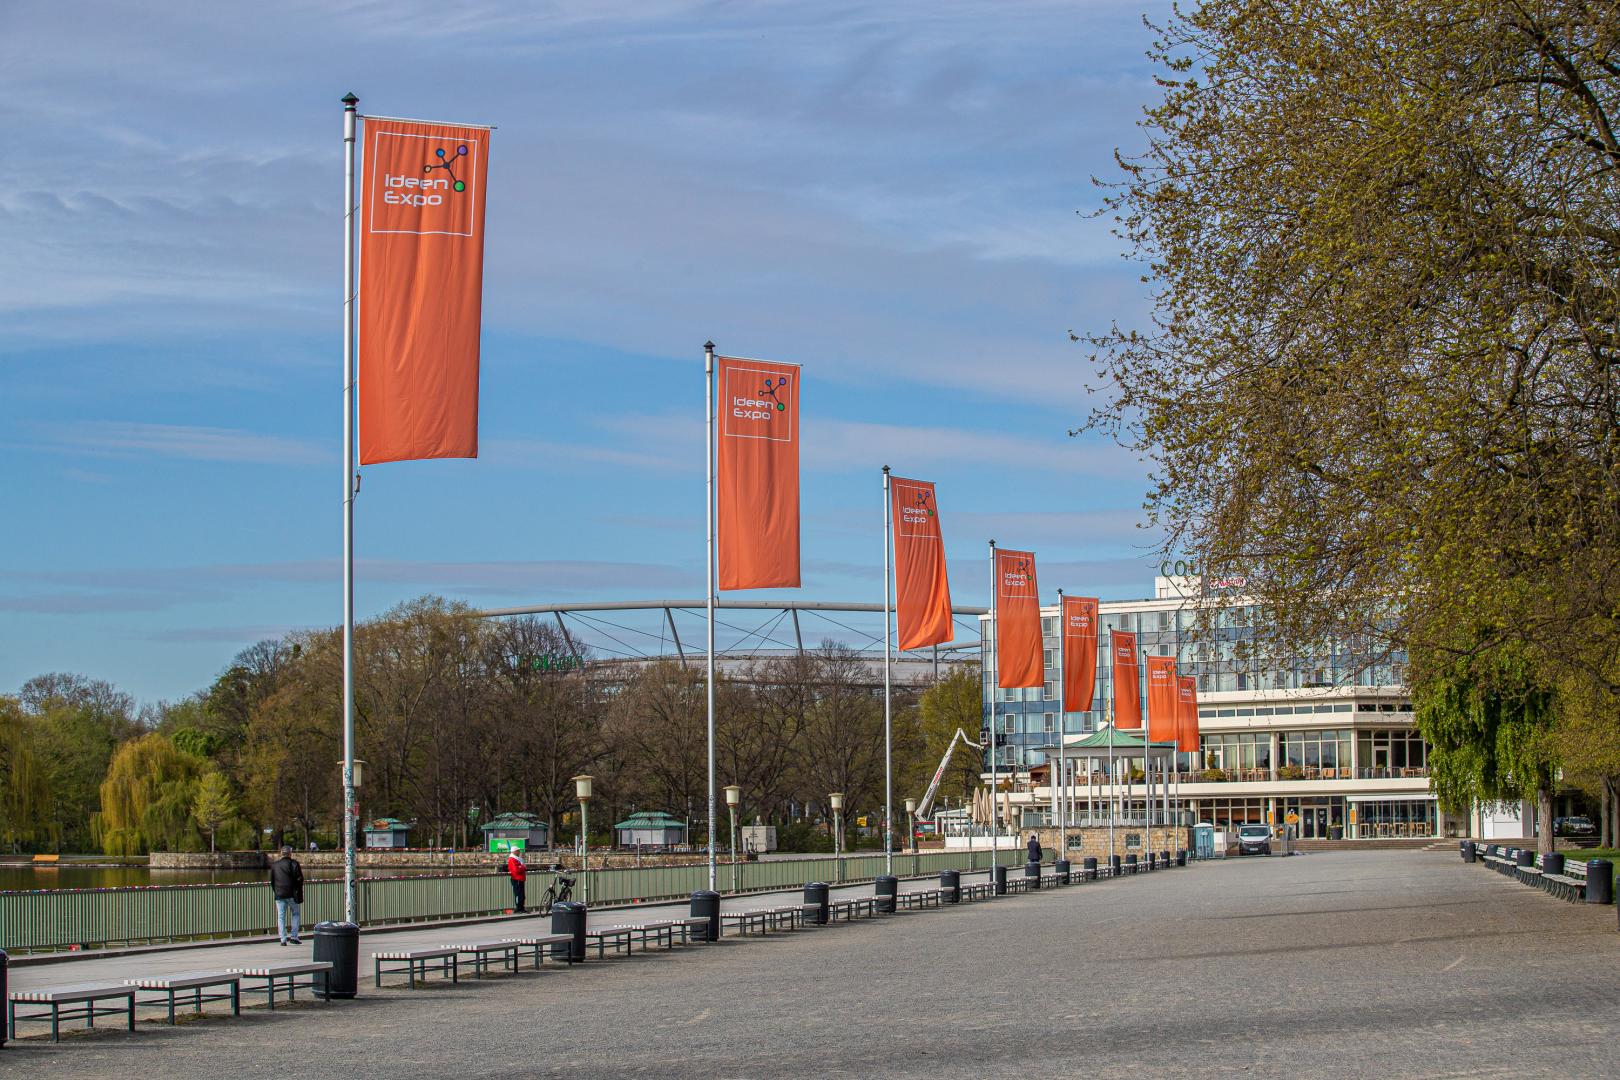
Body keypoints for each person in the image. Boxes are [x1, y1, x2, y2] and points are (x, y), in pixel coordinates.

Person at [269, 845, 304, 946]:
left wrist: (276, 891)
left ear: (281, 853)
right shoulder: (294, 863)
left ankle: (283, 939)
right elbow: (300, 879)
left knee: (281, 916)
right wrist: (297, 889)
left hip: (279, 894)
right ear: (290, 853)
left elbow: (272, 881)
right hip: (292, 893)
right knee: (295, 914)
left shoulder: (275, 865)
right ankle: (294, 936)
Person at [506, 848, 527, 913]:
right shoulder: (512, 859)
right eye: (518, 851)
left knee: (522, 895)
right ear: (514, 851)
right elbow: (516, 870)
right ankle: (518, 908)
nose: (519, 852)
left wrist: (521, 867)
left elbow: (520, 867)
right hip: (516, 878)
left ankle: (521, 907)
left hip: (520, 878)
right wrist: (522, 867)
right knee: (518, 894)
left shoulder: (517, 859)